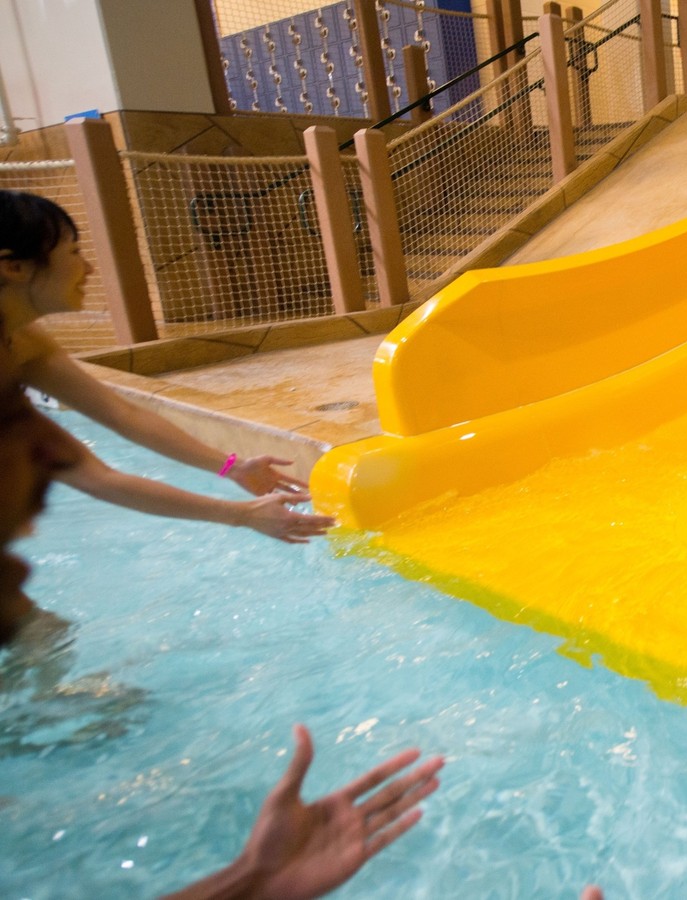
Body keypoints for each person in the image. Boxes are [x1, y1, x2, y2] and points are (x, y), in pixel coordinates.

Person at [1, 336, 446, 899]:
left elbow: (101, 458)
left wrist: (252, 882)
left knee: (44, 633)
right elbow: (98, 467)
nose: (30, 537)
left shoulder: (25, 358)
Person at [0, 190, 333, 543]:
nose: (89, 268)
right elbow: (92, 476)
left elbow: (124, 415)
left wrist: (232, 467)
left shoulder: (23, 340)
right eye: (74, 252)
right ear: (14, 267)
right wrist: (242, 515)